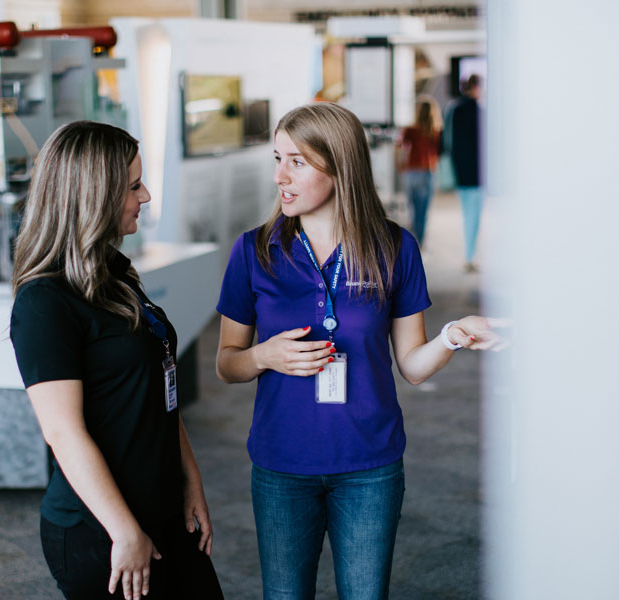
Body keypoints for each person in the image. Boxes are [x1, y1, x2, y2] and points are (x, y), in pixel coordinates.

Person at [214, 103, 504, 600]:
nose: (280, 176)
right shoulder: (254, 250)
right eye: (277, 158)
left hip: (369, 465)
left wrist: (453, 334)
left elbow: (412, 366)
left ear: (339, 165)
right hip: (283, 463)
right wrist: (264, 356)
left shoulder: (394, 247)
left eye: (297, 162)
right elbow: (226, 362)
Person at [9, 121, 223, 600]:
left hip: (162, 511)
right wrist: (125, 532)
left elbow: (158, 394)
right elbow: (63, 432)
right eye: (132, 186)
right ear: (94, 195)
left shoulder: (115, 273)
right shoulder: (44, 301)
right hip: (99, 529)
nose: (145, 196)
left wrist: (190, 482)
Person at [448, 74, 484, 272]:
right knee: (474, 216)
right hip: (476, 174)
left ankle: (469, 255)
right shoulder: (478, 111)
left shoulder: (454, 110)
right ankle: (469, 257)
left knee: (467, 214)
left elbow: (451, 142)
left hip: (460, 172)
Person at [395, 96, 442, 246]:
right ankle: (420, 242)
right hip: (427, 172)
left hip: (411, 172)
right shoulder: (436, 130)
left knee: (411, 209)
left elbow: (398, 146)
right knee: (423, 211)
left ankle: (412, 241)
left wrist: (399, 163)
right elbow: (439, 151)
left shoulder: (410, 129)